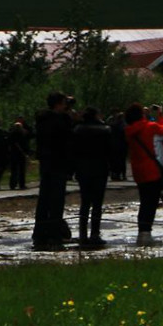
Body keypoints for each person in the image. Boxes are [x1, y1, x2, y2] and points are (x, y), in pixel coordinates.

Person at [32, 91, 75, 251]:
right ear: (58, 104)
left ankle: (40, 233)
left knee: (44, 199)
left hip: (46, 163)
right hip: (58, 163)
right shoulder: (61, 120)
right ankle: (54, 234)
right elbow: (67, 141)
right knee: (56, 201)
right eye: (64, 103)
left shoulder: (42, 120)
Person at [70, 106, 116, 248]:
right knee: (97, 203)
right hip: (100, 168)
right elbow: (111, 151)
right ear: (96, 116)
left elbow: (73, 150)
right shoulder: (105, 130)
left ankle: (82, 234)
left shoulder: (77, 130)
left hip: (83, 168)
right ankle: (95, 233)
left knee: (84, 202)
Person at [124, 103, 163, 245]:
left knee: (144, 202)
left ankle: (142, 232)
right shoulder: (149, 126)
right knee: (151, 203)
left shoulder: (129, 131)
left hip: (138, 171)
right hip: (151, 170)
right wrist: (161, 116)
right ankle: (146, 233)